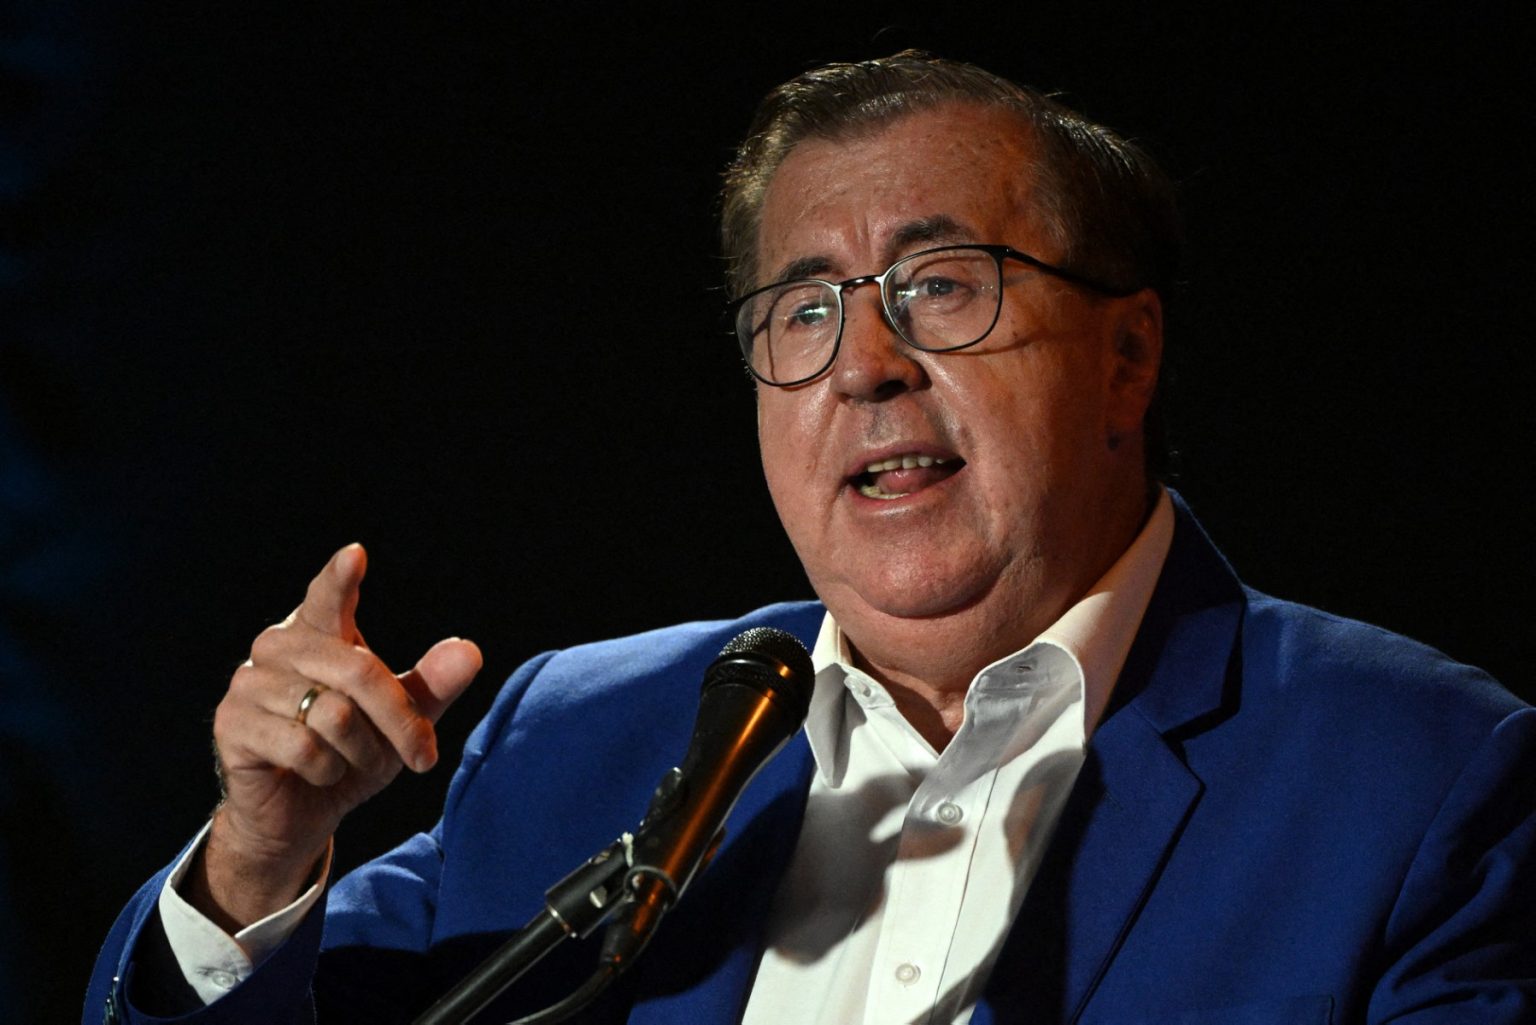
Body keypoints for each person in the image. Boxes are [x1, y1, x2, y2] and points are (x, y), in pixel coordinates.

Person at [85, 52, 1534, 1025]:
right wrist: (260, 854)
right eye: (803, 309)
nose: (865, 366)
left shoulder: (1418, 778)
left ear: (1128, 354)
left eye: (942, 284)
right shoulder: (579, 736)